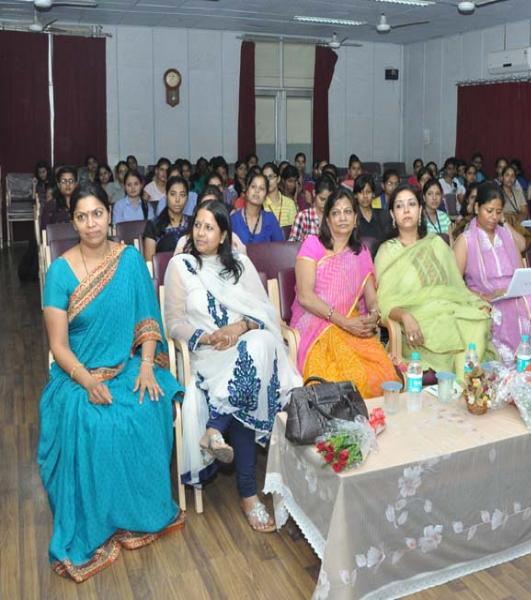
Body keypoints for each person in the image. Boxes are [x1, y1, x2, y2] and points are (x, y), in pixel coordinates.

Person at [40, 182, 183, 582]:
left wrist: (146, 365)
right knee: (92, 422)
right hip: (77, 374)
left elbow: (148, 320)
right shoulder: (60, 272)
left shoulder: (129, 261)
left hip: (127, 365)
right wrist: (87, 382)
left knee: (149, 403)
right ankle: (100, 521)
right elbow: (58, 346)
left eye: (97, 214)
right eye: (82, 217)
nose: (91, 224)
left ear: (110, 215)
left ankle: (138, 513)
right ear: (73, 222)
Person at [164, 199, 301, 532]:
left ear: (224, 235)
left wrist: (238, 328)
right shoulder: (181, 266)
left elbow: (264, 314)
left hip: (244, 347)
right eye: (197, 225)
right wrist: (207, 337)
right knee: (251, 374)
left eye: (209, 227)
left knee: (260, 344)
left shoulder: (240, 265)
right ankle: (248, 496)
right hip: (206, 354)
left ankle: (215, 428)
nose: (200, 233)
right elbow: (173, 323)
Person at [375, 184, 495, 376]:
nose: (406, 210)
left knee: (478, 319)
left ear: (420, 210)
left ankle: (463, 384)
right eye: (399, 206)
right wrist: (405, 316)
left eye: (411, 204)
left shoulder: (436, 243)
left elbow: (457, 286)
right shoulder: (387, 251)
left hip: (447, 310)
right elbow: (383, 302)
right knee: (459, 330)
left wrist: (477, 303)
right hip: (417, 325)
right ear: (392, 214)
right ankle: (466, 383)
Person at [292, 189, 401, 398]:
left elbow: (371, 297)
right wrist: (344, 323)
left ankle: (375, 418)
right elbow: (305, 297)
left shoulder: (361, 252)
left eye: (347, 211)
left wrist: (374, 315)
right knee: (339, 382)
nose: (342, 217)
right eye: (336, 212)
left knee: (384, 376)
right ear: (327, 220)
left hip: (353, 325)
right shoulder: (313, 245)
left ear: (356, 218)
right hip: (316, 326)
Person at [454, 182, 531, 364]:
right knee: (521, 307)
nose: (493, 217)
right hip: (486, 300)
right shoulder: (465, 240)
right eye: (489, 211)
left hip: (513, 294)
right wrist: (483, 296)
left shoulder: (505, 235)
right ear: (476, 208)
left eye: (498, 212)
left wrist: (505, 224)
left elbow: (520, 270)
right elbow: (455, 284)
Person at [143, 176, 191, 261]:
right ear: (166, 196)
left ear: (187, 198)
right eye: (173, 194)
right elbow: (149, 263)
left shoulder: (193, 223)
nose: (177, 199)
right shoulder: (153, 225)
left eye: (182, 195)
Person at [230, 172, 284, 245]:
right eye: (253, 186)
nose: (257, 191)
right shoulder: (234, 219)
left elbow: (280, 247)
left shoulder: (270, 219)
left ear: (265, 196)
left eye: (261, 188)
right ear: (247, 192)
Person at [288, 175, 336, 243]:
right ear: (314, 193)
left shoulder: (335, 217)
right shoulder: (303, 216)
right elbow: (292, 244)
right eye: (322, 199)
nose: (325, 204)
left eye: (329, 200)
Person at [355, 174, 392, 242]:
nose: (365, 196)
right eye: (361, 192)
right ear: (355, 195)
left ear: (373, 194)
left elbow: (389, 240)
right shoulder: (352, 217)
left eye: (368, 192)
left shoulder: (383, 215)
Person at [260, 162, 297, 228]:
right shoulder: (260, 204)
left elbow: (294, 230)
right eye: (265, 178)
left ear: (278, 179)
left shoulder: (290, 203)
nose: (268, 181)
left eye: (271, 177)